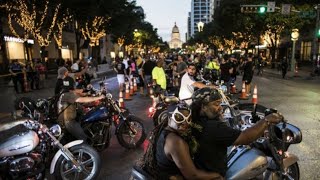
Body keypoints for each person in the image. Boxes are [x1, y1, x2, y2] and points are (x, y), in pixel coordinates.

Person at [191, 87, 284, 177]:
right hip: (214, 175)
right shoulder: (214, 127)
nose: (220, 108)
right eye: (216, 105)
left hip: (201, 167)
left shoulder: (193, 120)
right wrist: (266, 120)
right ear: (203, 107)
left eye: (220, 104)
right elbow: (246, 138)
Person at [138, 103, 222, 179]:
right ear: (169, 118)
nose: (185, 123)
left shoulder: (163, 131)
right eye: (179, 117)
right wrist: (217, 175)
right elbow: (193, 175)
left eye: (188, 118)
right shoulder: (176, 142)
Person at [56, 67, 105, 142]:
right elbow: (81, 99)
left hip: (68, 117)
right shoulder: (68, 94)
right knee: (83, 138)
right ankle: (84, 151)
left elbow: (78, 95)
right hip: (68, 121)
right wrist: (99, 97)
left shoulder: (66, 92)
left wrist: (87, 93)